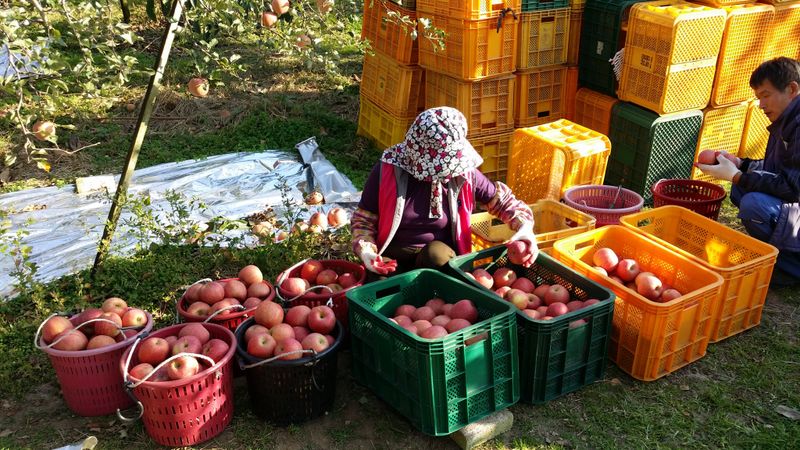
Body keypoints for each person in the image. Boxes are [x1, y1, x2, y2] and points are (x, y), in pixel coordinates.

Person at [351, 106, 538, 277]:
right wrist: (367, 251)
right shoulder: (387, 172)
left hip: (439, 260)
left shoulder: (463, 174)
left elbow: (504, 203)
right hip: (394, 256)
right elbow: (363, 220)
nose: (448, 174)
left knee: (436, 254)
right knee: (378, 280)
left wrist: (525, 228)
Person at [696, 57, 800, 286]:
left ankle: (790, 268)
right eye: (758, 98)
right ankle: (778, 255)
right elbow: (776, 169)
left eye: (766, 95)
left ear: (792, 89)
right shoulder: (786, 121)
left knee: (754, 204)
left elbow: (794, 189)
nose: (761, 105)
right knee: (742, 190)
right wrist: (741, 164)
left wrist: (736, 175)